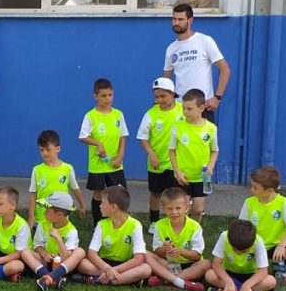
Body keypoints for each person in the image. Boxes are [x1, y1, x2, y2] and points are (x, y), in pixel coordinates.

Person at [162, 3, 230, 123]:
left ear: (190, 20)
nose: (176, 23)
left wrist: (217, 97)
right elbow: (166, 80)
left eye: (180, 19)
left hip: (202, 107)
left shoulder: (204, 41)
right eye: (174, 19)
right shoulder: (171, 49)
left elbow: (225, 69)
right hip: (180, 108)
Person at [74, 186, 151, 286]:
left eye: (103, 203)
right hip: (103, 264)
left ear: (113, 207)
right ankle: (126, 280)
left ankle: (97, 280)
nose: (100, 206)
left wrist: (114, 270)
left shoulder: (135, 225)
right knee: (83, 264)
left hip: (124, 265)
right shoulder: (101, 225)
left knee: (146, 269)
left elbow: (139, 258)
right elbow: (92, 253)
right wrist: (107, 269)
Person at [78, 77, 128, 226]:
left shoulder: (118, 114)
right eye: (104, 96)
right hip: (98, 164)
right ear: (95, 96)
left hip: (115, 164)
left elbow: (123, 135)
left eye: (110, 95)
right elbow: (82, 136)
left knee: (118, 193)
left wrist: (120, 155)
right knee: (99, 194)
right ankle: (98, 224)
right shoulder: (90, 116)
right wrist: (98, 143)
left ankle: (118, 222)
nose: (108, 99)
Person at [136, 77, 183, 233]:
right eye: (157, 97)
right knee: (156, 193)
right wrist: (151, 153)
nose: (159, 100)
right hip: (157, 162)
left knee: (176, 194)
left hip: (177, 163)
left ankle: (176, 222)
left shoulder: (183, 110)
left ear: (172, 94)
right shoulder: (151, 114)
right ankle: (154, 222)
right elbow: (142, 137)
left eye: (163, 96)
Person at [169, 88, 218, 223]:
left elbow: (214, 150)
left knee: (197, 210)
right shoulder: (177, 127)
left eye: (189, 109)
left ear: (201, 108)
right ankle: (181, 231)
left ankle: (195, 233)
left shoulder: (211, 128)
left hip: (201, 177)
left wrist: (210, 166)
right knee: (181, 209)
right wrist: (177, 172)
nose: (185, 112)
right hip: (182, 176)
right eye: (183, 108)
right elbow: (171, 151)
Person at [240, 165, 286, 270]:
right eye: (251, 186)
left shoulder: (284, 203)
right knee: (246, 268)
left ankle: (279, 266)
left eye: (255, 188)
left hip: (276, 245)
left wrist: (281, 246)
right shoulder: (249, 202)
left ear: (269, 190)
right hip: (254, 245)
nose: (251, 190)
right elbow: (242, 226)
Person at [145, 187, 207, 291]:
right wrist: (164, 249)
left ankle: (166, 280)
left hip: (190, 265)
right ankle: (181, 282)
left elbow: (197, 255)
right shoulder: (159, 225)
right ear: (164, 209)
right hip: (168, 264)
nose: (174, 212)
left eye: (178, 208)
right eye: (170, 209)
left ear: (186, 208)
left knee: (206, 264)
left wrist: (180, 251)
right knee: (144, 254)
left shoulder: (195, 227)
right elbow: (157, 250)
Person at [22, 192, 85, 291]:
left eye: (47, 211)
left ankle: (48, 278)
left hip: (63, 265)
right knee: (25, 252)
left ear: (59, 215)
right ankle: (54, 279)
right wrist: (44, 254)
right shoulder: (43, 224)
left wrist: (59, 239)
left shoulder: (71, 231)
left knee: (80, 251)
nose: (44, 213)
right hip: (45, 262)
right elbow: (37, 245)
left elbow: (66, 259)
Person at [203, 218, 275, 291]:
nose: (239, 253)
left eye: (244, 251)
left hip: (251, 275)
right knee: (209, 275)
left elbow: (263, 271)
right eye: (234, 249)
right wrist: (228, 281)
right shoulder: (224, 236)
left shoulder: (258, 241)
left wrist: (247, 284)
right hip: (228, 273)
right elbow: (216, 264)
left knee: (271, 281)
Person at [28, 129, 85, 231]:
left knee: (59, 238)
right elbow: (32, 193)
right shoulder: (37, 170)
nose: (44, 153)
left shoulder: (67, 169)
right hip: (42, 216)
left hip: (60, 216)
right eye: (41, 150)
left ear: (58, 149)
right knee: (42, 239)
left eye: (48, 149)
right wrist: (31, 215)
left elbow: (75, 188)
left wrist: (82, 205)